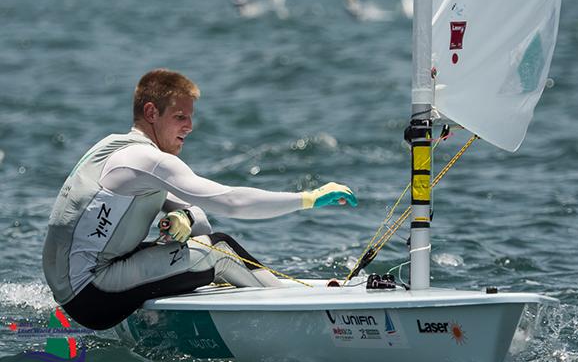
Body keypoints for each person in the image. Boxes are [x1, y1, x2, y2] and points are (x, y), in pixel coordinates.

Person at [42, 69, 357, 330]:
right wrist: (308, 199)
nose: (189, 127)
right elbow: (231, 203)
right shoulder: (148, 160)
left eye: (190, 117)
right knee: (218, 250)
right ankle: (302, 315)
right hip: (93, 293)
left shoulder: (113, 148)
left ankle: (270, 291)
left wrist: (185, 218)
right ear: (151, 113)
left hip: (73, 293)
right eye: (180, 116)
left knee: (208, 242)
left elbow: (200, 218)